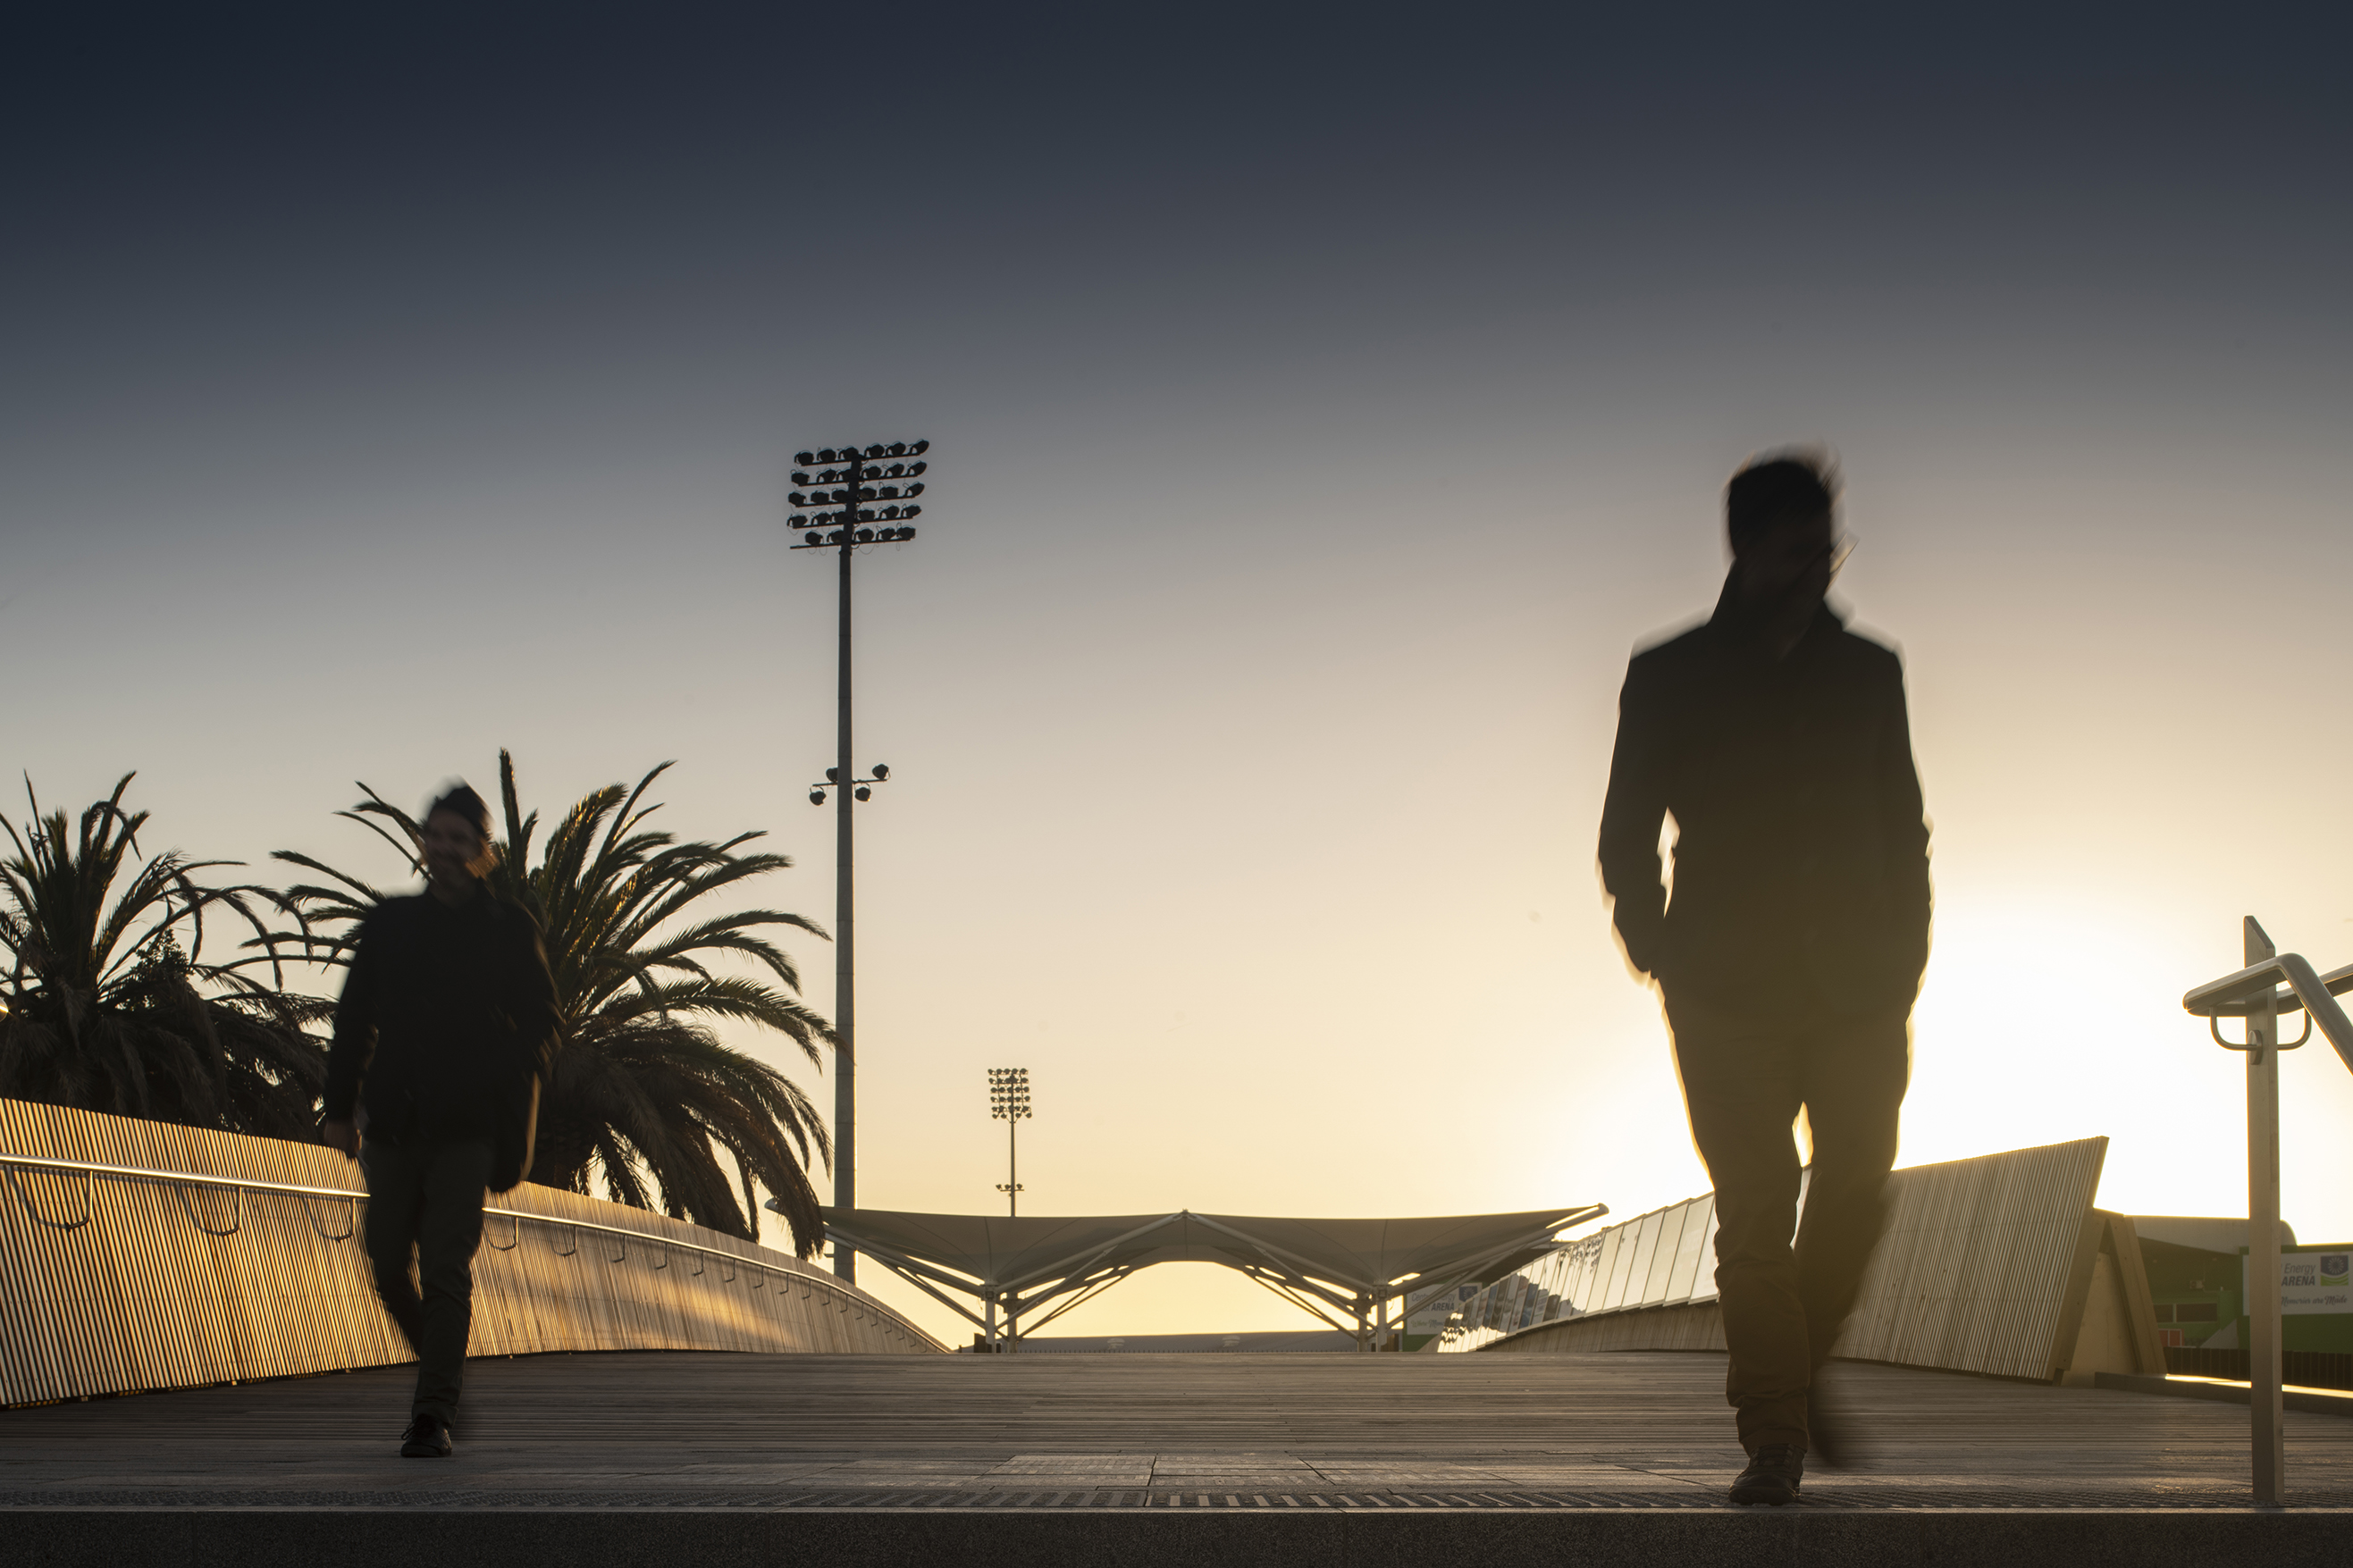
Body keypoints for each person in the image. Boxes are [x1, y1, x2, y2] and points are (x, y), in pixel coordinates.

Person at [1596, 453, 1930, 1507]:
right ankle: (1774, 1434)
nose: (1816, 566)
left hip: (1860, 990)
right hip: (1723, 991)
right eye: (1795, 549)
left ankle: (1801, 1358)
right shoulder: (1669, 672)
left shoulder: (1868, 671)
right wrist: (1659, 950)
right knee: (1753, 1207)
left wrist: (1905, 955)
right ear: (1744, 549)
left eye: (1827, 546)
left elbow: (1900, 825)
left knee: (1856, 1190)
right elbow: (1623, 832)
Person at [322, 784, 560, 1458]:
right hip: (396, 1122)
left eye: (460, 840)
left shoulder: (508, 927)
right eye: (436, 836)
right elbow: (353, 1019)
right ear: (423, 843)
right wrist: (339, 1110)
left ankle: (432, 1413)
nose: (446, 849)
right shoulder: (392, 923)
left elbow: (545, 1020)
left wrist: (504, 1070)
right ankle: (443, 1371)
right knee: (387, 1261)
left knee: (448, 1265)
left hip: (469, 1128)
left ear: (482, 853)